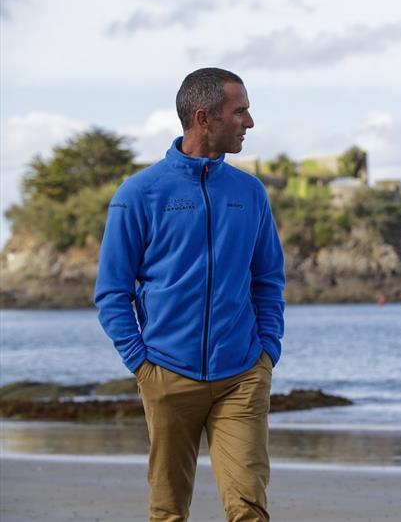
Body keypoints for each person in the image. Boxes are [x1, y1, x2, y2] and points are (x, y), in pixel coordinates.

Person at [95, 67, 285, 521]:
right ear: (204, 117)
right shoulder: (139, 194)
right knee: (168, 511)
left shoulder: (250, 193)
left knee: (248, 508)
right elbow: (112, 292)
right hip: (166, 373)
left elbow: (268, 280)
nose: (250, 122)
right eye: (239, 111)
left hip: (242, 374)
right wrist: (142, 364)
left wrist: (267, 351)